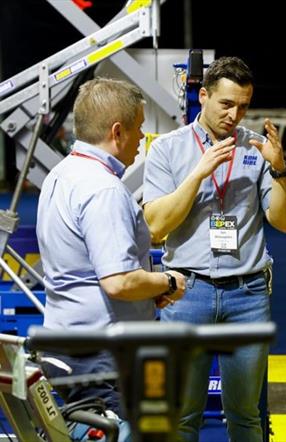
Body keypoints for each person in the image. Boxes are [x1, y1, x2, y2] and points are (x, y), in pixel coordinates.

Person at [143, 56, 286, 441]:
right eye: (226, 104)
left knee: (246, 415)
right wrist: (199, 173)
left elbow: (284, 221)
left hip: (247, 295)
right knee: (181, 416)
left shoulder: (258, 149)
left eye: (243, 106)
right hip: (186, 292)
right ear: (203, 95)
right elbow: (156, 227)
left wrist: (279, 169)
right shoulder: (167, 149)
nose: (235, 114)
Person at [36, 77, 186, 418]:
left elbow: (85, 269)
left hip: (67, 342)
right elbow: (118, 282)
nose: (142, 139)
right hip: (102, 357)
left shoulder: (61, 174)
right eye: (139, 129)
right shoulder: (104, 190)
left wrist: (147, 291)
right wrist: (168, 282)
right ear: (117, 132)